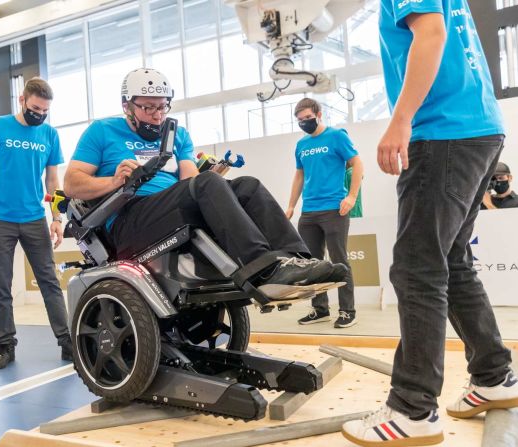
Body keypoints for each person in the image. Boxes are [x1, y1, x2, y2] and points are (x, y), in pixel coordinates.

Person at [342, 1, 517, 445]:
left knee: (417, 267)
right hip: (480, 128)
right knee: (452, 262)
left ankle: (412, 409)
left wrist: (400, 121)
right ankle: (493, 377)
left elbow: (432, 35)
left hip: (443, 132)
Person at [64, 68, 347, 295]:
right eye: (148, 108)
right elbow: (72, 184)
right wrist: (114, 181)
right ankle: (264, 270)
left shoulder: (176, 134)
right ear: (127, 105)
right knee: (207, 184)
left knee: (247, 185)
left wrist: (212, 184)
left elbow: (189, 178)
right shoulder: (102, 131)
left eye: (162, 107)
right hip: (129, 217)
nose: (157, 115)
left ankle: (297, 262)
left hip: (170, 209)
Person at [0, 77, 72, 371]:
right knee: (1, 285)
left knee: (49, 282)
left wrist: (58, 217)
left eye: (45, 110)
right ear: (22, 100)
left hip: (35, 218)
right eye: (36, 108)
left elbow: (53, 180)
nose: (40, 114)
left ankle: (66, 342)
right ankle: (5, 345)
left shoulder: (49, 134)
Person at [286, 98, 364, 328]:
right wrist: (291, 205)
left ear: (319, 114)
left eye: (308, 118)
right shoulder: (301, 145)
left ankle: (348, 311)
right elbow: (299, 176)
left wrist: (351, 196)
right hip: (309, 211)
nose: (304, 123)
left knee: (339, 262)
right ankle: (320, 309)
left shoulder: (337, 136)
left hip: (334, 209)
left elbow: (357, 164)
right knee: (312, 264)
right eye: (300, 121)